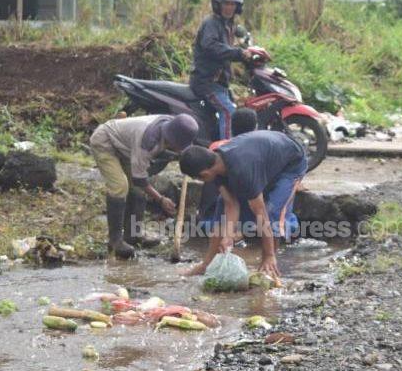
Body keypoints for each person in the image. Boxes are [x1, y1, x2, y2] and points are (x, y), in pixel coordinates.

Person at [178, 130, 307, 282]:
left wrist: (269, 254)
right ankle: (207, 264)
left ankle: (270, 262)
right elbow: (230, 204)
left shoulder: (243, 170)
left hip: (291, 162)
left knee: (272, 211)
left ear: (204, 174)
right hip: (266, 155)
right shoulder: (216, 164)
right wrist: (227, 236)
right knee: (220, 205)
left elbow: (261, 213)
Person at [89, 114, 199, 258]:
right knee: (120, 186)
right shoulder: (147, 141)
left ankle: (133, 234)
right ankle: (115, 241)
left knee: (138, 192)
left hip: (126, 147)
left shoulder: (172, 124)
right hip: (105, 142)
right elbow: (139, 179)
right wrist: (161, 199)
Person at [190, 0, 253, 141]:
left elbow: (236, 41)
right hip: (207, 82)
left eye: (233, 4)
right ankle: (225, 150)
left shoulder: (229, 24)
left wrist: (247, 48)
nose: (229, 7)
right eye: (226, 3)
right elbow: (210, 45)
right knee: (228, 111)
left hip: (219, 82)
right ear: (218, 4)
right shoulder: (211, 23)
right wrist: (238, 53)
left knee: (232, 108)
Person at [199, 107, 259, 221]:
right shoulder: (253, 152)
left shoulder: (216, 147)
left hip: (208, 216)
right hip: (239, 217)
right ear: (255, 128)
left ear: (231, 128)